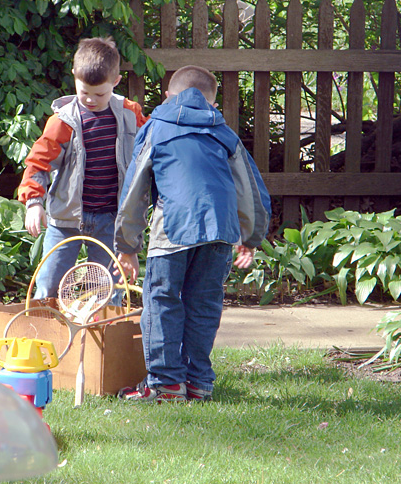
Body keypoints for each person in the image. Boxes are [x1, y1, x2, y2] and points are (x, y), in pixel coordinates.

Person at [114, 65, 272, 402]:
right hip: (220, 232)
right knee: (203, 304)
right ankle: (199, 382)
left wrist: (127, 244)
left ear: (168, 96)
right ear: (213, 104)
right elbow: (250, 189)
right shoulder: (224, 133)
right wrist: (251, 235)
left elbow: (135, 188)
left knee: (162, 301)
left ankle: (167, 383)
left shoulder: (156, 127)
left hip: (173, 227)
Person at [18, 37, 147, 302]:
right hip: (66, 219)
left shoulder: (130, 115)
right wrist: (33, 201)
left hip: (111, 221)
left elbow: (151, 150)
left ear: (116, 82)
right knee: (48, 286)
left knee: (108, 291)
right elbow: (38, 163)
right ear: (75, 77)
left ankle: (101, 339)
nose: (90, 99)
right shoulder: (63, 121)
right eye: (83, 91)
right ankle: (46, 336)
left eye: (99, 94)